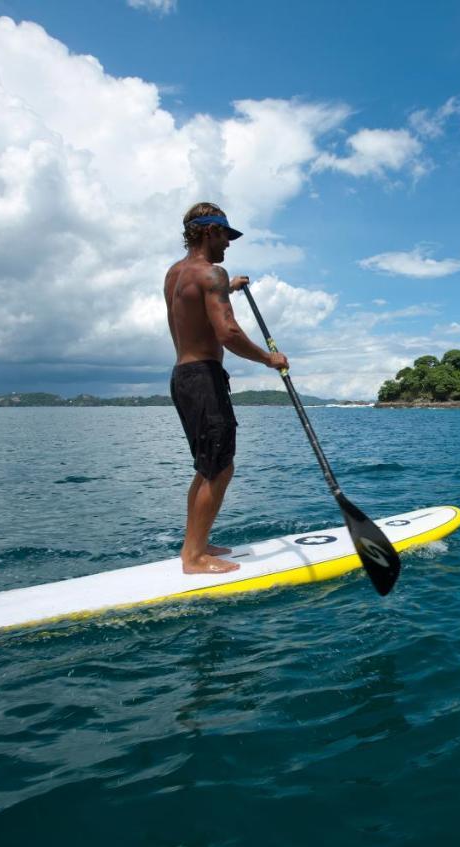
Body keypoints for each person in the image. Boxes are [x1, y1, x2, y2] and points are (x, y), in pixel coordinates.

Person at [164, 203, 288, 574]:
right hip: (204, 378)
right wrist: (270, 359)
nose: (229, 245)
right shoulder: (212, 273)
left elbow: (196, 304)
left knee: (208, 467)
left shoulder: (175, 274)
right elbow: (228, 333)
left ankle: (196, 544)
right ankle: (194, 558)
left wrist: (227, 289)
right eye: (225, 236)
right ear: (207, 232)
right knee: (220, 468)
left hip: (183, 378)